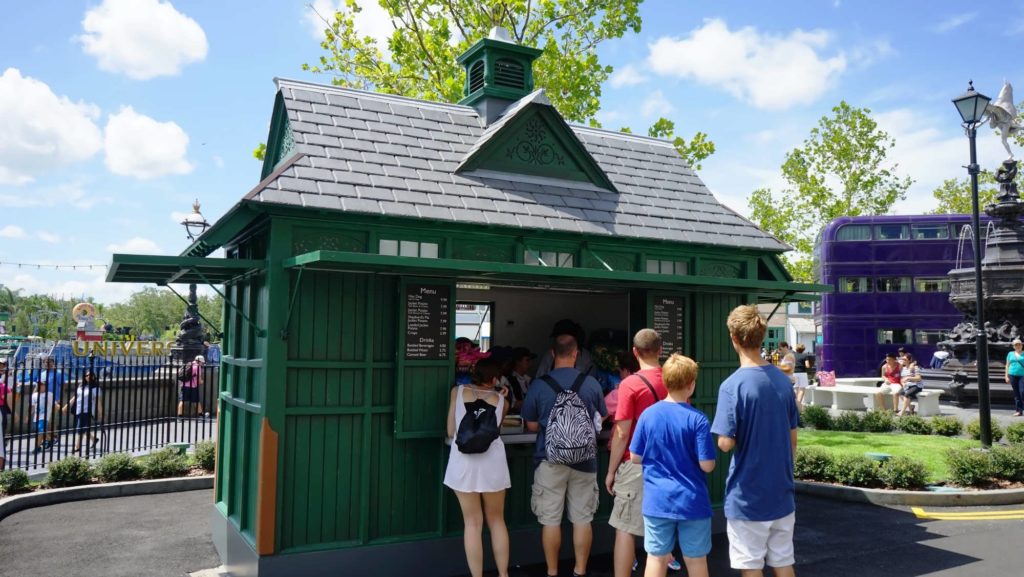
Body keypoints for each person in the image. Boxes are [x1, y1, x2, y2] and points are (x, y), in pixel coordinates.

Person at [711, 305, 799, 577]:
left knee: (750, 566)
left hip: (747, 495)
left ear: (734, 338)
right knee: (783, 563)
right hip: (781, 491)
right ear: (762, 337)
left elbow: (725, 443)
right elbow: (792, 437)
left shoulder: (731, 386)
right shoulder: (784, 382)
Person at [521, 334, 607, 577]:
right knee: (582, 517)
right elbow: (602, 417)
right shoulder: (591, 384)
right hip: (585, 461)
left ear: (551, 353)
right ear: (576, 353)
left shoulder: (539, 384)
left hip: (549, 459)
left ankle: (552, 571)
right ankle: (580, 570)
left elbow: (531, 426)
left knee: (550, 519)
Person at [630, 354, 716, 577]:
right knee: (696, 561)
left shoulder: (648, 415)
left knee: (656, 559)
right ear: (691, 385)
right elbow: (707, 466)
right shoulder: (698, 419)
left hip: (657, 501)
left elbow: (634, 457)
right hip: (692, 502)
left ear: (665, 382)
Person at [605, 329, 669, 577]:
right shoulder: (672, 379)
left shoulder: (629, 384)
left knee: (624, 527)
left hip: (636, 463)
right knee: (661, 529)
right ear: (660, 350)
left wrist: (611, 471)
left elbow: (622, 432)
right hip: (667, 463)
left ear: (634, 352)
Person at [444, 358, 512, 577]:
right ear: (494, 378)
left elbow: (450, 430)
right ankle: (503, 574)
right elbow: (495, 430)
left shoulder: (458, 391)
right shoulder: (502, 401)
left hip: (462, 463)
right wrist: (501, 396)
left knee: (472, 523)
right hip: (492, 463)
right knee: (497, 519)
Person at [64, 370, 103, 453]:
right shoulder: (81, 386)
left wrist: (100, 413)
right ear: (84, 377)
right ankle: (94, 439)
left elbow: (98, 401)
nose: (88, 376)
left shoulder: (95, 388)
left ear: (93, 377)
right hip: (78, 410)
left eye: (90, 375)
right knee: (83, 428)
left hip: (87, 411)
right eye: (87, 375)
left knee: (80, 428)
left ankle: (77, 447)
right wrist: (66, 406)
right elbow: (75, 397)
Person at [30, 380, 57, 455]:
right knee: (42, 431)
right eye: (40, 384)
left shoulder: (49, 394)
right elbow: (32, 407)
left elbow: (54, 404)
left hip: (44, 416)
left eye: (43, 384)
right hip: (36, 416)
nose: (41, 386)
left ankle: (37, 447)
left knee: (41, 431)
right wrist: (28, 416)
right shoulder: (34, 395)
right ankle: (50, 440)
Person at [506, 347, 536, 412]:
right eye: (527, 360)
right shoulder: (509, 380)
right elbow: (512, 404)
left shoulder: (530, 380)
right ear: (518, 362)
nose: (530, 364)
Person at [178, 355, 205, 419]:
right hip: (193, 386)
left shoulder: (188, 364)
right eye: (202, 362)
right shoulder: (198, 367)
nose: (202, 363)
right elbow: (199, 380)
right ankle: (201, 415)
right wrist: (202, 381)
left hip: (184, 386)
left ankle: (179, 416)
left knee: (182, 401)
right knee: (196, 401)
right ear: (199, 361)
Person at [1006, 338, 1024, 417]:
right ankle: (1019, 411)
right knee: (1017, 394)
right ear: (1013, 346)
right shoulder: (1010, 354)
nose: (1018, 346)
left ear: (1022, 345)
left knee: (1022, 392)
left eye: (1019, 344)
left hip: (1022, 375)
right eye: (1016, 345)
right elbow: (1007, 365)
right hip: (1012, 375)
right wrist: (1006, 376)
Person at [791, 345, 810, 409]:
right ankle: (798, 404)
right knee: (802, 389)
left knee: (795, 389)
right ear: (803, 349)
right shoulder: (805, 355)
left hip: (794, 373)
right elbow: (807, 365)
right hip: (802, 373)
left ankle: (794, 403)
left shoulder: (793, 355)